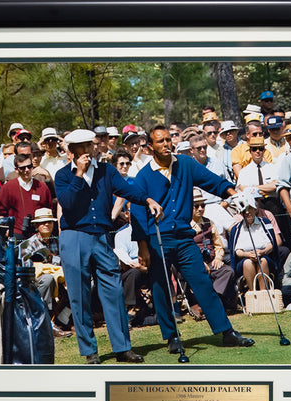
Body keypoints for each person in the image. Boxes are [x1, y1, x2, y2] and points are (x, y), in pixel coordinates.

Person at [130, 125, 255, 355]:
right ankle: (172, 337)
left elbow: (211, 181)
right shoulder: (143, 176)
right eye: (160, 141)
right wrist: (142, 246)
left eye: (168, 139)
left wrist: (232, 192)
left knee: (202, 282)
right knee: (161, 288)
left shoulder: (185, 164)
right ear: (150, 147)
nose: (166, 144)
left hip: (185, 237)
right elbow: (137, 212)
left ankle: (226, 332)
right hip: (158, 238)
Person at [54, 128, 162, 364]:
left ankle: (123, 347)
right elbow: (68, 204)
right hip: (74, 237)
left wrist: (146, 199)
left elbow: (127, 189)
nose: (88, 151)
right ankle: (89, 351)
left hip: (101, 236)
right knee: (79, 295)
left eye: (89, 146)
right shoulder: (63, 175)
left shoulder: (106, 170)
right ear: (72, 151)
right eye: (82, 147)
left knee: (113, 290)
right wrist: (79, 175)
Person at [20, 207, 72, 338]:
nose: (46, 224)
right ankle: (48, 323)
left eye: (49, 221)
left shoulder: (58, 241)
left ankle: (63, 319)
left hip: (59, 280)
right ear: (36, 225)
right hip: (35, 284)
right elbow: (27, 270)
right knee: (48, 278)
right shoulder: (29, 244)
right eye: (42, 222)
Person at [190, 188, 237, 312]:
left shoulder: (209, 222)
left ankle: (210, 301)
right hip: (194, 264)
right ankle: (212, 303)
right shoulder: (184, 225)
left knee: (228, 271)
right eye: (196, 206)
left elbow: (218, 245)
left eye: (203, 205)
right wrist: (199, 262)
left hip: (211, 261)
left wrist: (218, 257)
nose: (200, 208)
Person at [0, 153, 53, 241]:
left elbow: (49, 210)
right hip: (15, 234)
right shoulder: (8, 187)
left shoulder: (42, 187)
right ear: (16, 170)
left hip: (38, 235)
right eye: (22, 168)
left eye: (29, 167)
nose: (27, 170)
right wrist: (5, 231)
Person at [229, 201, 280, 291]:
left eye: (250, 209)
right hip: (245, 259)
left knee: (263, 261)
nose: (247, 212)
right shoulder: (236, 229)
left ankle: (263, 292)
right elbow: (237, 251)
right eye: (244, 210)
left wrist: (262, 252)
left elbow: (271, 244)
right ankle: (253, 294)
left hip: (264, 255)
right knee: (248, 263)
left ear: (255, 209)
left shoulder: (265, 223)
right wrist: (248, 254)